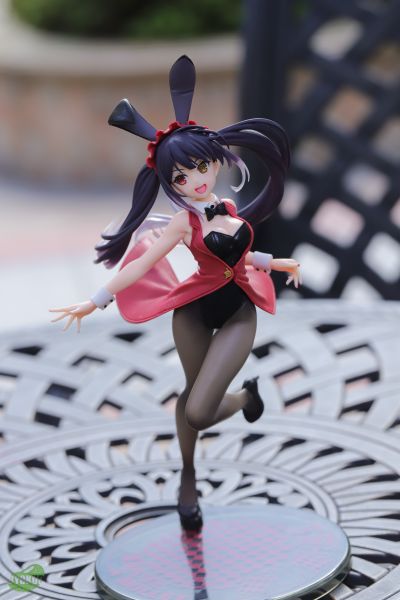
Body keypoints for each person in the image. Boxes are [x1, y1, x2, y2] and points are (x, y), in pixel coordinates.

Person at [49, 56, 301, 532]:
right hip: (193, 310)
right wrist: (96, 299)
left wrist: (278, 263)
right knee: (190, 398)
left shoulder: (228, 208)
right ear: (170, 183)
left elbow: (242, 257)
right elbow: (142, 264)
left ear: (215, 159)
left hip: (238, 313)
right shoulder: (184, 223)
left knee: (202, 410)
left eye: (200, 167)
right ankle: (188, 478)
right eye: (182, 177)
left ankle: (243, 398)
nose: (195, 180)